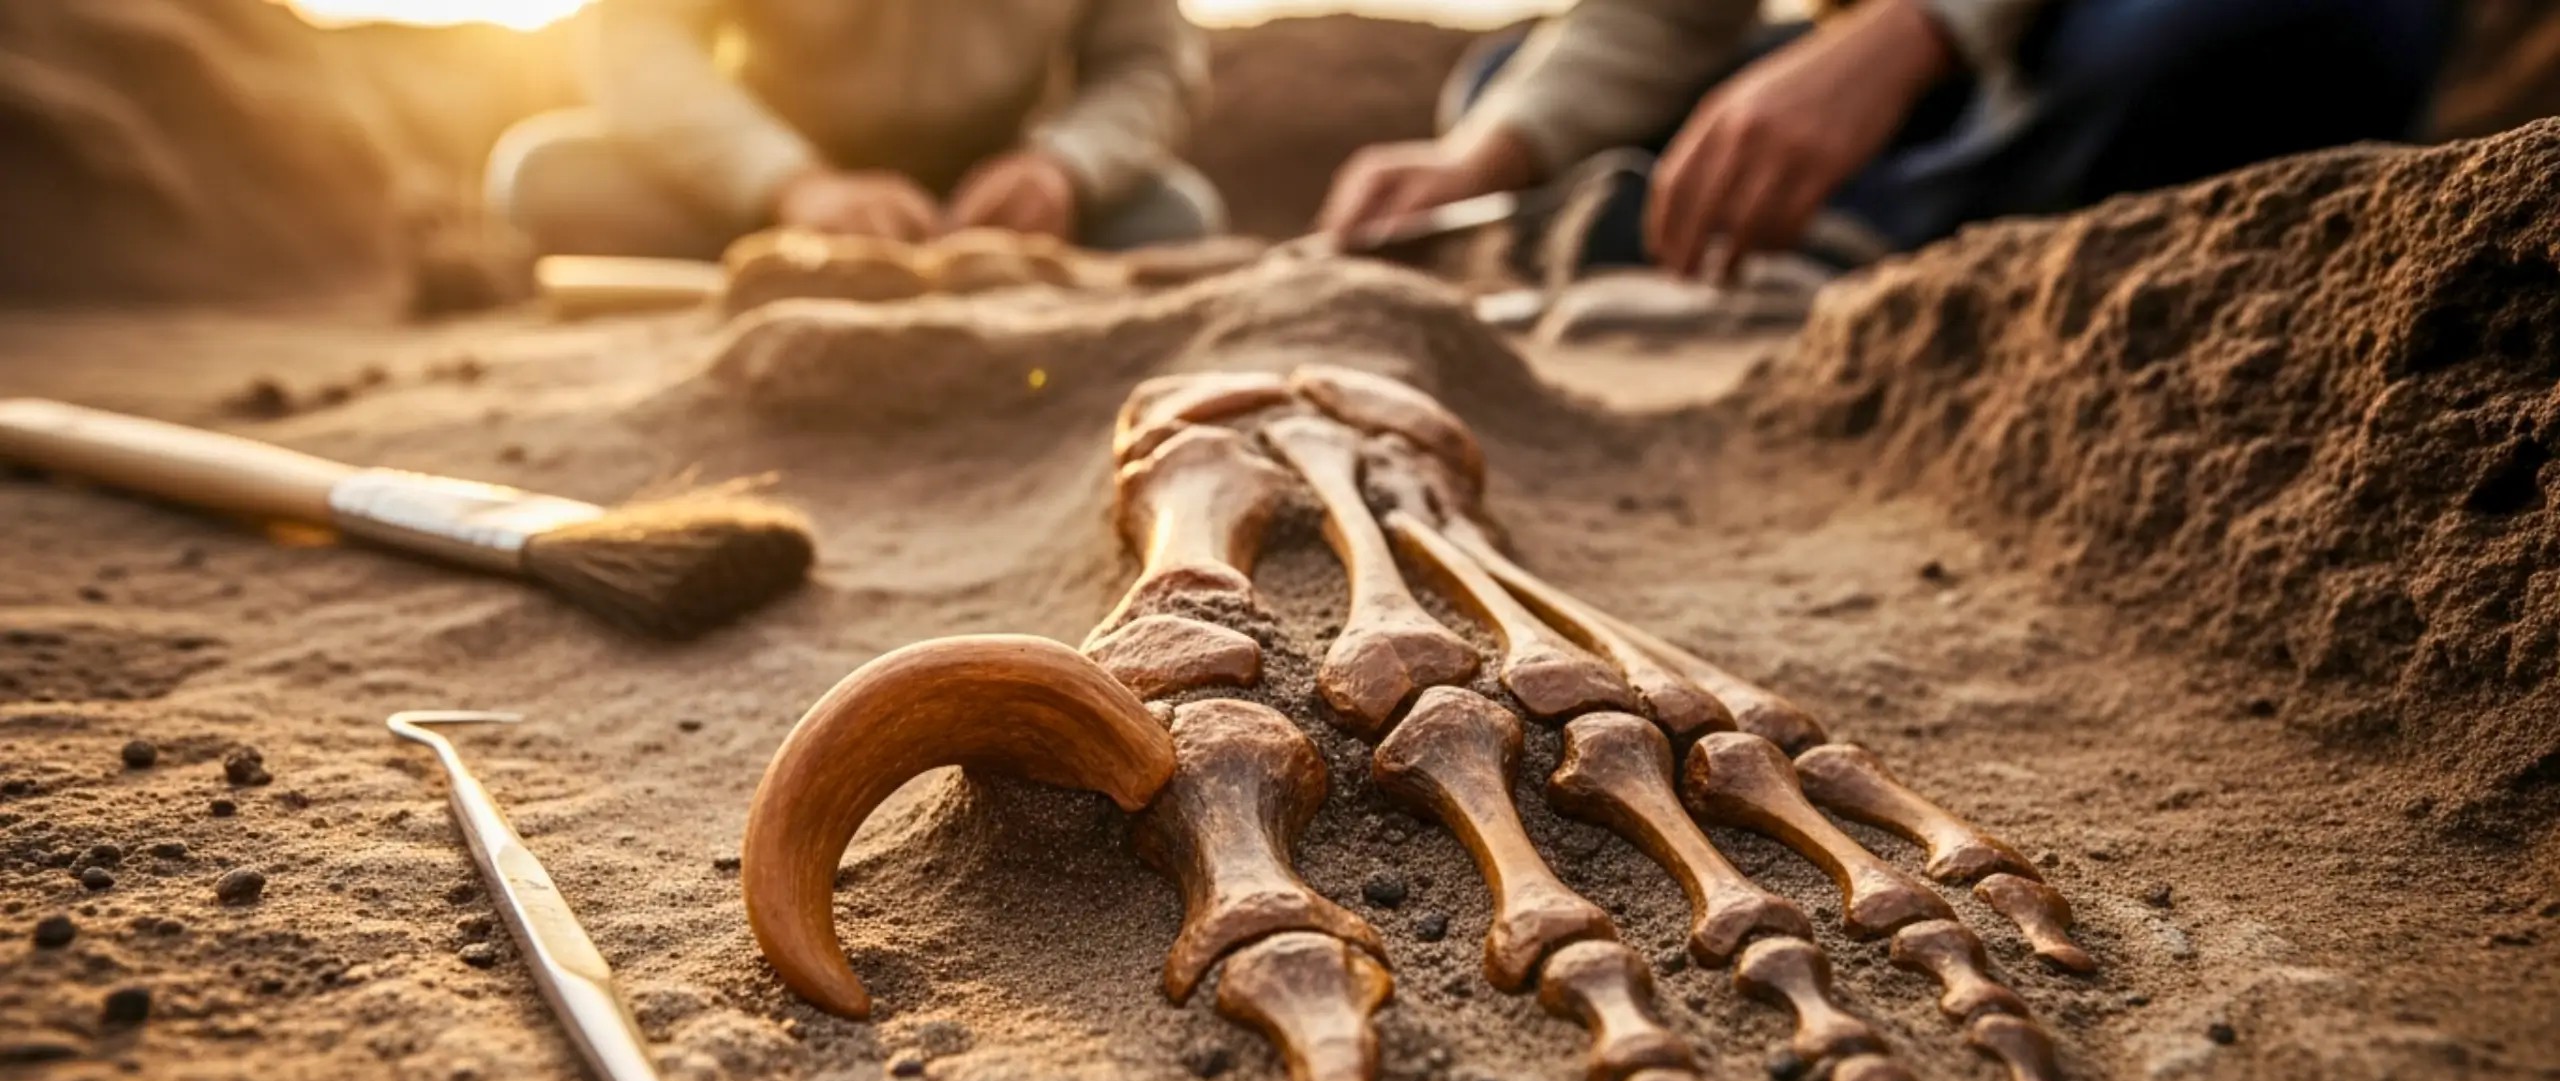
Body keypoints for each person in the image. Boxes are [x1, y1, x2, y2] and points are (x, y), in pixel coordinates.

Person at [1319, 0, 2462, 278]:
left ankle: (1879, 224)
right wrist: (1492, 152)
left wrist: (1918, 27)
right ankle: (1858, 215)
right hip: (1944, 90)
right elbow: (1663, 14)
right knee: (1499, 78)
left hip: (2102, 38)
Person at [488, 0, 1226, 260]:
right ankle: (784, 256)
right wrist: (789, 184)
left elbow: (1146, 61)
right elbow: (637, 41)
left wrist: (1063, 167)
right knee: (545, 175)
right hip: (773, 184)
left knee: (1175, 216)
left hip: (989, 195)